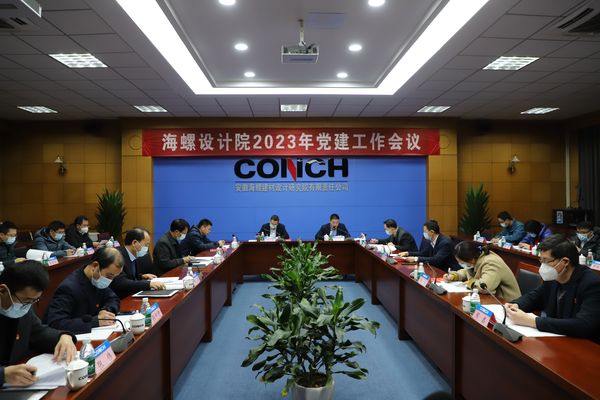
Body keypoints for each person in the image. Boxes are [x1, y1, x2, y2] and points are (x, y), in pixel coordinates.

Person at [506, 234, 600, 342]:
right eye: (541, 260)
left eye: (546, 261)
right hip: (557, 338)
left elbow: (584, 325)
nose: (542, 266)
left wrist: (533, 321)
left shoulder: (591, 284)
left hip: (584, 344)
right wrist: (516, 305)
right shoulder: (554, 277)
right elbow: (535, 297)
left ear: (565, 262)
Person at [0, 261, 77, 387]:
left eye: (34, 301)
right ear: (3, 291)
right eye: (26, 301)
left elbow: (38, 332)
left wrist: (63, 336)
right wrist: (3, 374)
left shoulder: (23, 308)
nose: (28, 306)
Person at [44, 247, 122, 334]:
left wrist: (106, 311)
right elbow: (56, 323)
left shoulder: (96, 280)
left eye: (114, 277)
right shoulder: (68, 288)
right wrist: (95, 321)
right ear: (95, 266)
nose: (110, 280)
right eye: (109, 276)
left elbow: (113, 298)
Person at [445, 241, 521, 302]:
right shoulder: (475, 260)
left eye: (461, 262)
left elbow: (485, 287)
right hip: (491, 299)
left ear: (471, 259)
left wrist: (470, 283)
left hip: (507, 302)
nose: (460, 264)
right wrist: (454, 276)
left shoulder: (491, 262)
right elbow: (466, 271)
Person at [112, 227, 165, 299]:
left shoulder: (134, 254)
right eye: (146, 245)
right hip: (123, 298)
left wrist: (142, 276)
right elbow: (121, 282)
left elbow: (130, 276)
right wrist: (148, 284)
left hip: (132, 293)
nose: (147, 248)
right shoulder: (118, 257)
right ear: (134, 243)